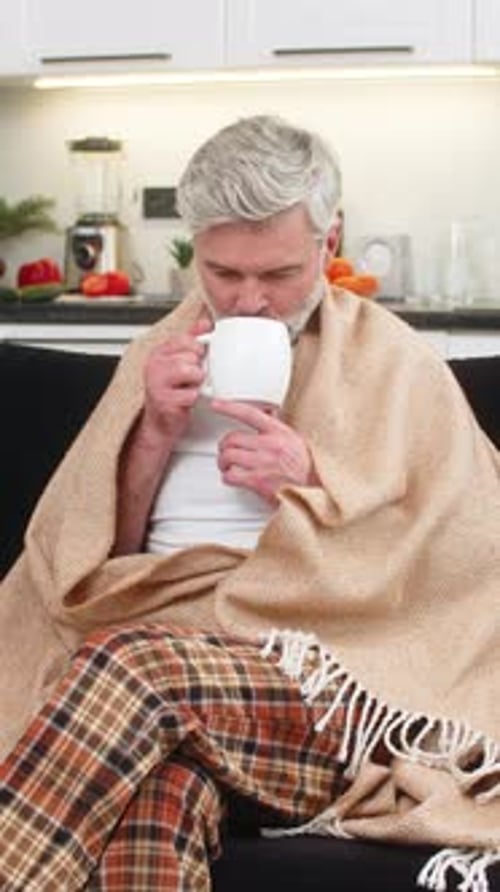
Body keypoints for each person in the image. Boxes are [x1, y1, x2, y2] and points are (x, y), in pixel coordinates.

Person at [0, 115, 499, 892]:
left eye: (278, 274)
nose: (250, 301)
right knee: (158, 802)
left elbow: (466, 553)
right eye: (224, 273)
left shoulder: (397, 364)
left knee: (134, 664)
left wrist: (311, 484)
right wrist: (151, 435)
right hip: (168, 687)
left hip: (317, 690)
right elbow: (86, 563)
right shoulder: (155, 355)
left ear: (328, 243)